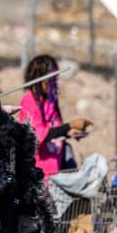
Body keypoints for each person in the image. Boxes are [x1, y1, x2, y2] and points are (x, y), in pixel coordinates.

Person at [18, 54, 91, 183]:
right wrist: (70, 125)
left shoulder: (51, 102)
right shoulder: (28, 101)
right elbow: (39, 135)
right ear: (41, 78)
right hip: (40, 175)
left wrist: (68, 133)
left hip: (56, 171)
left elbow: (54, 130)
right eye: (52, 78)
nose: (56, 82)